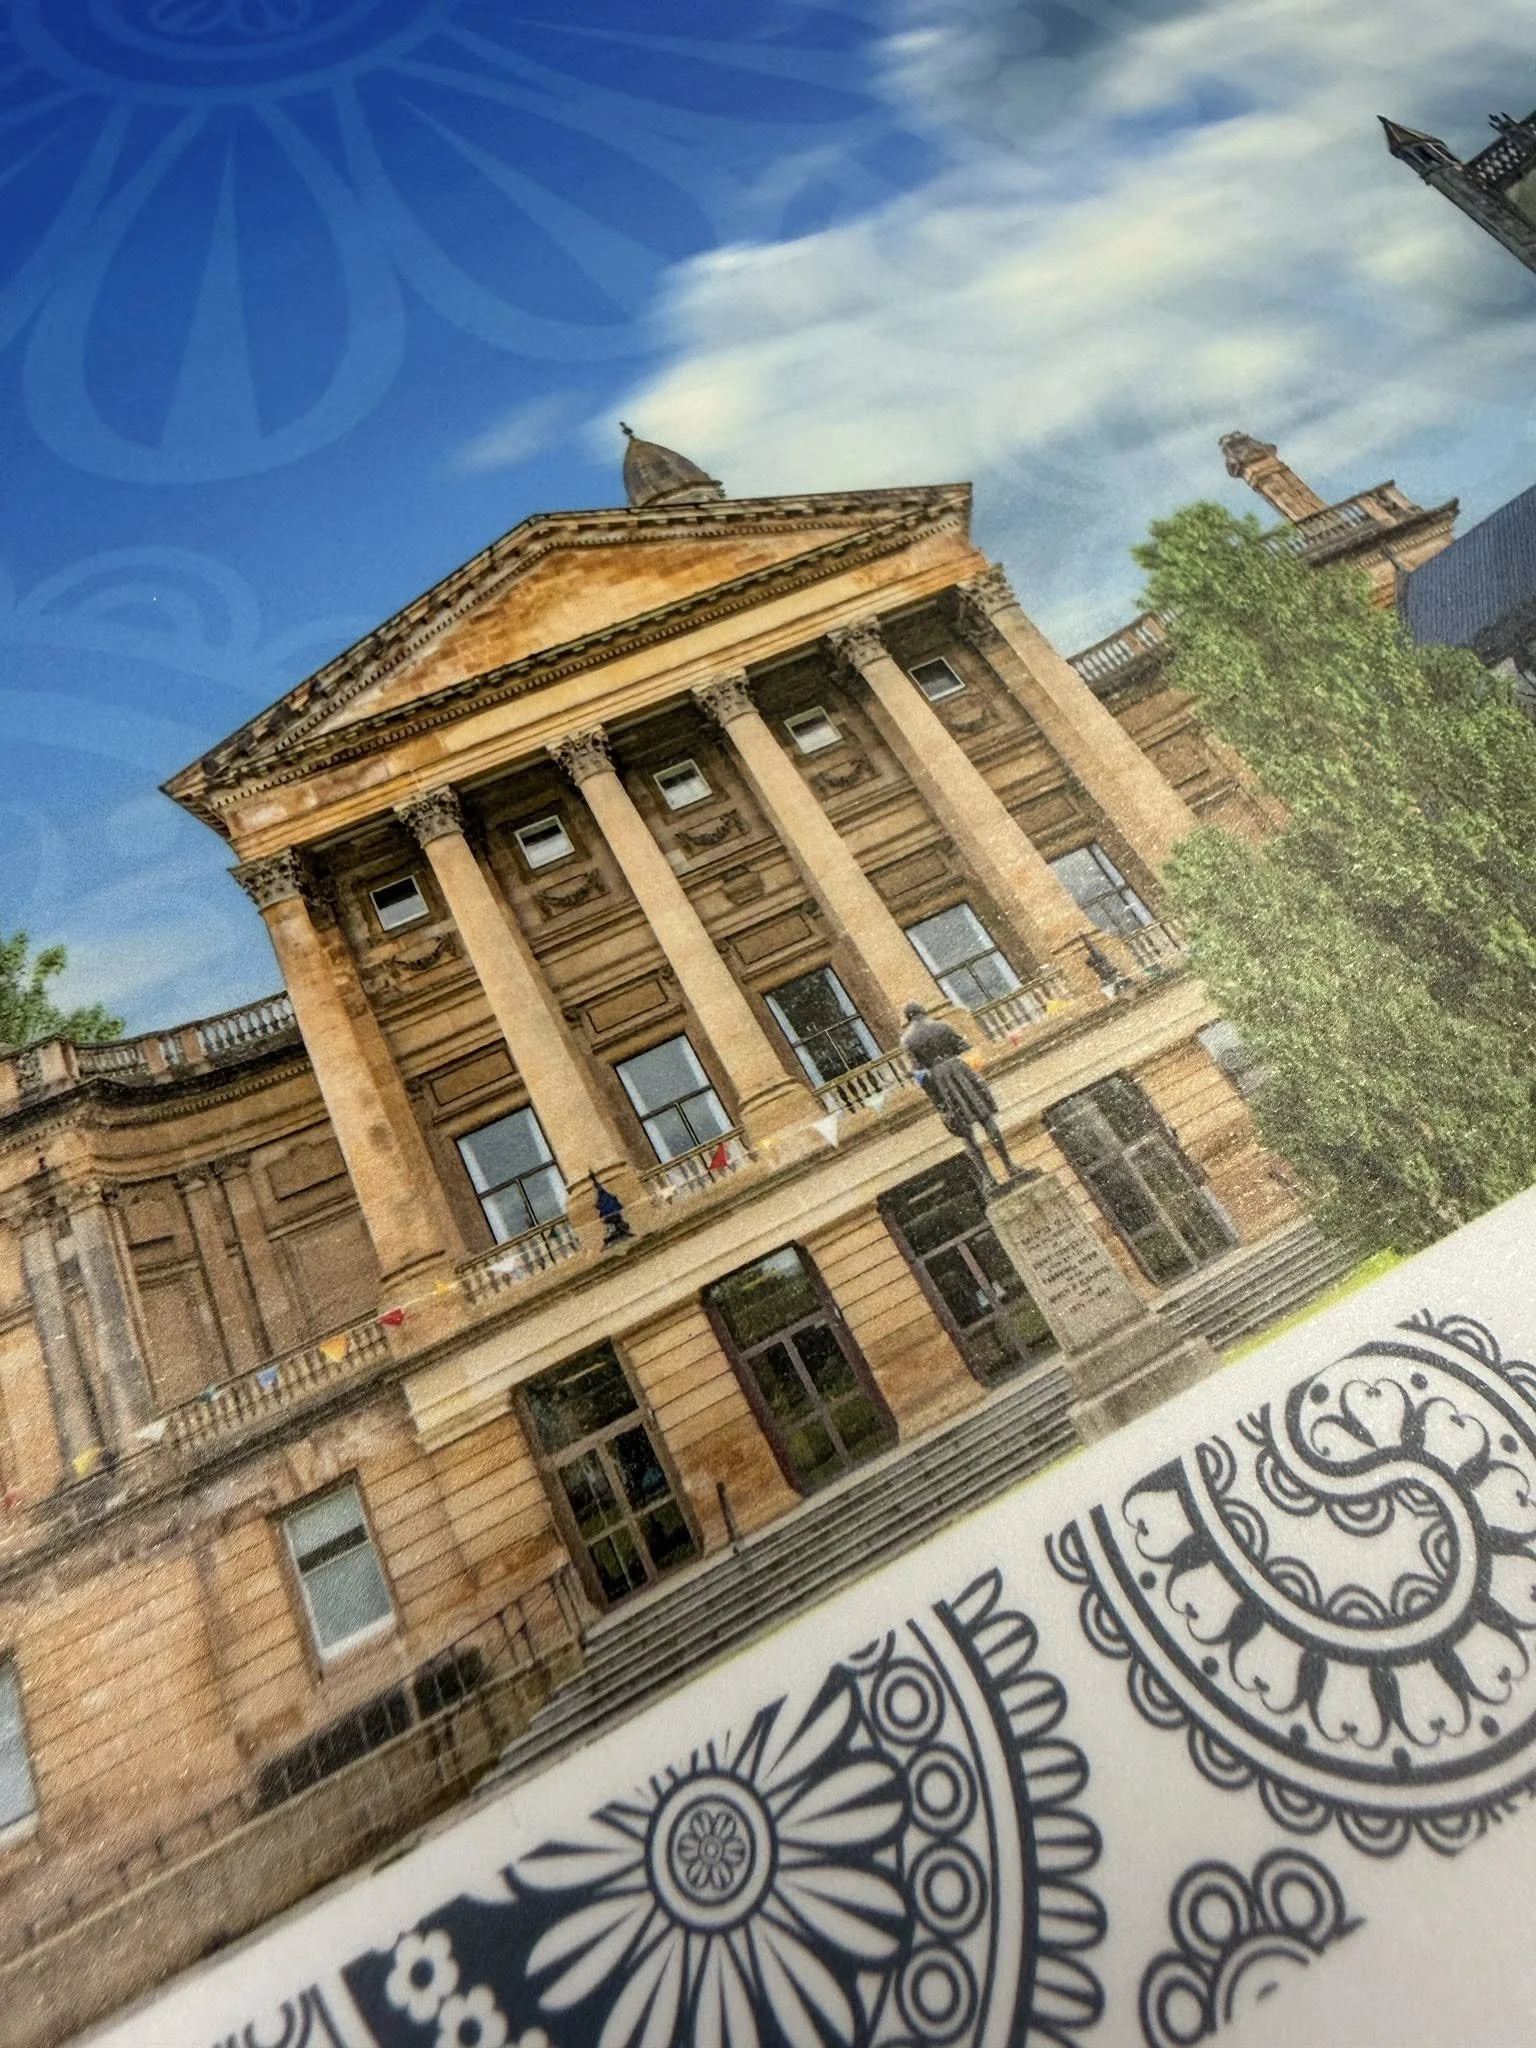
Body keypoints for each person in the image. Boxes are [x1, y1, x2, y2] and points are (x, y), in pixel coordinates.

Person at [899, 1000, 1022, 1188]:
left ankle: (988, 1178)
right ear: (923, 1010)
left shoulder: (907, 1039)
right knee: (986, 1119)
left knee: (966, 1133)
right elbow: (964, 1047)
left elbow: (920, 1072)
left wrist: (937, 1100)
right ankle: (1009, 1165)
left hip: (939, 1081)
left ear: (908, 1018)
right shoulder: (942, 1025)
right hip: (960, 1072)